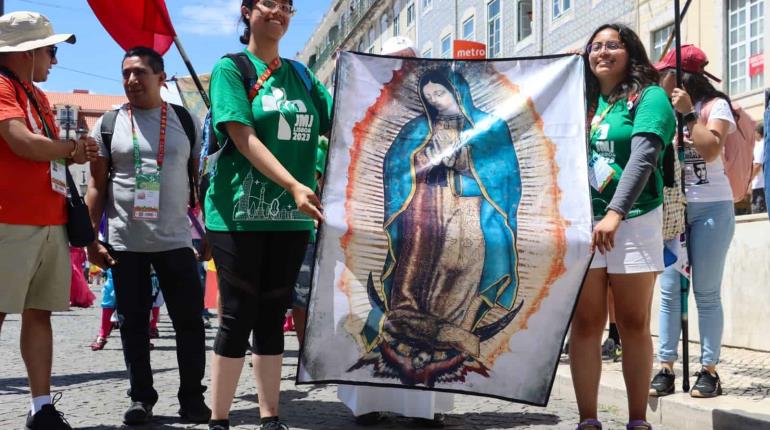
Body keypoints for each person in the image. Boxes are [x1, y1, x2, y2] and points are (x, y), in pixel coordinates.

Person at [204, 1, 332, 429]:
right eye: (267, 3)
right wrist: (294, 184)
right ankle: (219, 418)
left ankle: (269, 415)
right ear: (246, 11)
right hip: (238, 213)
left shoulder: (302, 75)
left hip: (291, 218)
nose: (278, 12)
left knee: (274, 313)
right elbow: (242, 137)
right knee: (237, 314)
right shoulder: (230, 69)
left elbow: (341, 119)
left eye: (287, 6)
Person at [85, 46, 210, 425]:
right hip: (125, 243)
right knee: (133, 325)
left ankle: (192, 397)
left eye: (140, 72)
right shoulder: (107, 123)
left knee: (189, 323)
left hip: (176, 241)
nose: (131, 80)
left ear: (160, 77)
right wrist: (92, 240)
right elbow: (96, 184)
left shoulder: (186, 122)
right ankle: (141, 398)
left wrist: (205, 230)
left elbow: (198, 180)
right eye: (125, 73)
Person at [337, 36, 455, 428]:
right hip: (374, 216)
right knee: (371, 298)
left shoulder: (436, 105)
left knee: (426, 295)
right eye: (391, 61)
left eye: (408, 60)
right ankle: (368, 399)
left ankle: (425, 403)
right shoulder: (355, 102)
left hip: (430, 213)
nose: (400, 68)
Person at [571, 24, 675, 430]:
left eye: (612, 45)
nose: (602, 52)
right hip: (583, 222)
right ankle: (588, 421)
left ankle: (636, 420)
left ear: (630, 52)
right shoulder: (581, 101)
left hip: (633, 219)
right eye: (595, 46)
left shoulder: (649, 97)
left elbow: (644, 154)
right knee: (585, 323)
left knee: (632, 323)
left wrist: (614, 213)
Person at [0, 11, 97, 429]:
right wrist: (70, 147)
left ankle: (41, 407)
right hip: (10, 220)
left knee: (39, 313)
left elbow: (52, 148)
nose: (54, 61)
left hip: (49, 217)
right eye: (51, 50)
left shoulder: (36, 95)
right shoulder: (2, 85)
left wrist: (74, 149)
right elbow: (23, 144)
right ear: (27, 51)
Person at [650, 45, 737, 399]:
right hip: (675, 210)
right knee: (670, 290)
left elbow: (711, 149)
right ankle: (666, 366)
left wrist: (688, 116)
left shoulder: (715, 107)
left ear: (683, 77)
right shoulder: (662, 109)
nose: (661, 77)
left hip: (712, 208)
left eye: (666, 71)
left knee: (705, 291)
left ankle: (709, 370)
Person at [751, 123, 766, 213]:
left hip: (759, 186)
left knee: (758, 212)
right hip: (763, 185)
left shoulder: (761, 145)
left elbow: (757, 165)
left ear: (758, 133)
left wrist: (748, 181)